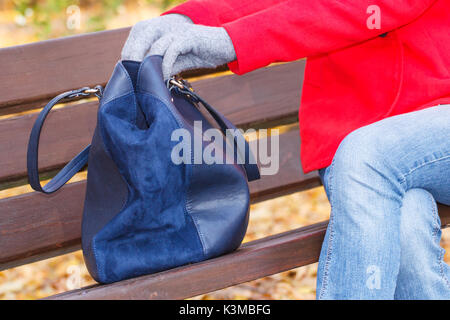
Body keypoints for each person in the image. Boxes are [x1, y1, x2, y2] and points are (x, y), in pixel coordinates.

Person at [121, 0, 450, 299]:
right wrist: (194, 16)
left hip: (423, 130)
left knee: (367, 156)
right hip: (366, 139)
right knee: (406, 229)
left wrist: (234, 40)